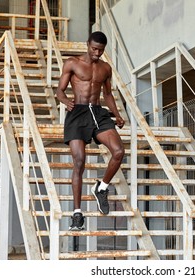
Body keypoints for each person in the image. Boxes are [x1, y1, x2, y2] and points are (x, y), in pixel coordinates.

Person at [56, 31, 125, 231]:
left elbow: (108, 94)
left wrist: (117, 114)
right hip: (77, 113)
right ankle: (77, 213)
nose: (96, 53)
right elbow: (59, 90)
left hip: (97, 112)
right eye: (94, 49)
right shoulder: (72, 63)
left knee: (119, 152)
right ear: (87, 44)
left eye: (100, 50)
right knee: (79, 162)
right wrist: (65, 101)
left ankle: (101, 188)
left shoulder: (105, 68)